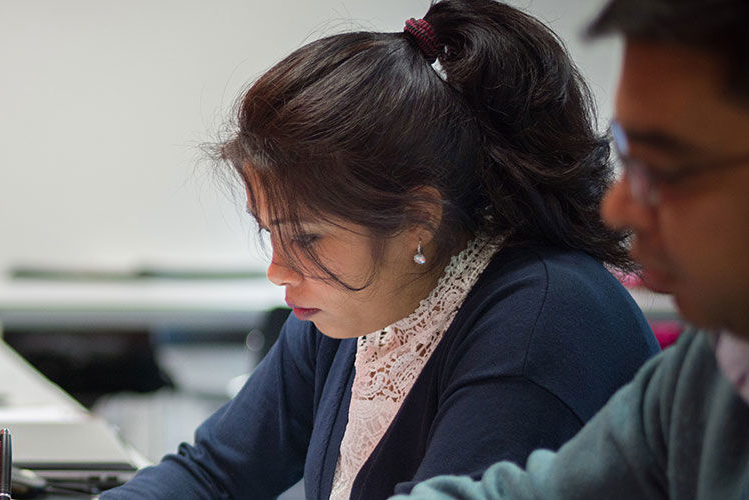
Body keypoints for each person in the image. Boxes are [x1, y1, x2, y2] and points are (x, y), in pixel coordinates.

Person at [101, 1, 662, 499]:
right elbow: (214, 474)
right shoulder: (359, 300)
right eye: (269, 232)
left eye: (306, 237)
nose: (277, 269)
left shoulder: (541, 321)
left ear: (419, 219)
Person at [394, 0, 749, 498]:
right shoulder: (715, 366)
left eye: (664, 168)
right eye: (627, 156)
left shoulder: (542, 311)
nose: (617, 208)